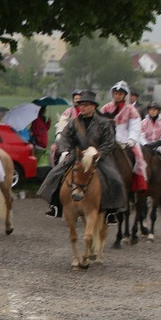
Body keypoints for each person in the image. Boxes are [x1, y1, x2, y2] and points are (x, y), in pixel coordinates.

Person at [37, 90, 126, 223]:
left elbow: (109, 142)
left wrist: (99, 154)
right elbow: (65, 138)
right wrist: (65, 151)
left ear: (93, 106)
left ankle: (111, 211)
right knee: (55, 174)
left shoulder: (103, 123)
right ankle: (55, 205)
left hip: (97, 156)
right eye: (80, 105)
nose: (82, 107)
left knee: (115, 178)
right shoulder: (73, 122)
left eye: (85, 104)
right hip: (77, 155)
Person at [101, 80, 147, 192]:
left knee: (139, 156)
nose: (117, 96)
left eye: (120, 94)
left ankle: (138, 183)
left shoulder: (131, 109)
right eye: (116, 93)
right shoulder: (106, 107)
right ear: (113, 94)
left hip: (125, 138)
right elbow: (99, 123)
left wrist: (131, 140)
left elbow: (135, 126)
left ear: (125, 95)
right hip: (107, 138)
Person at [50, 89, 84, 164]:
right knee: (54, 148)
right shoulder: (69, 111)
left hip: (83, 138)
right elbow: (62, 121)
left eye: (79, 99)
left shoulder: (84, 111)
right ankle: (54, 165)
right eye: (76, 99)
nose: (77, 100)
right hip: (70, 137)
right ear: (73, 100)